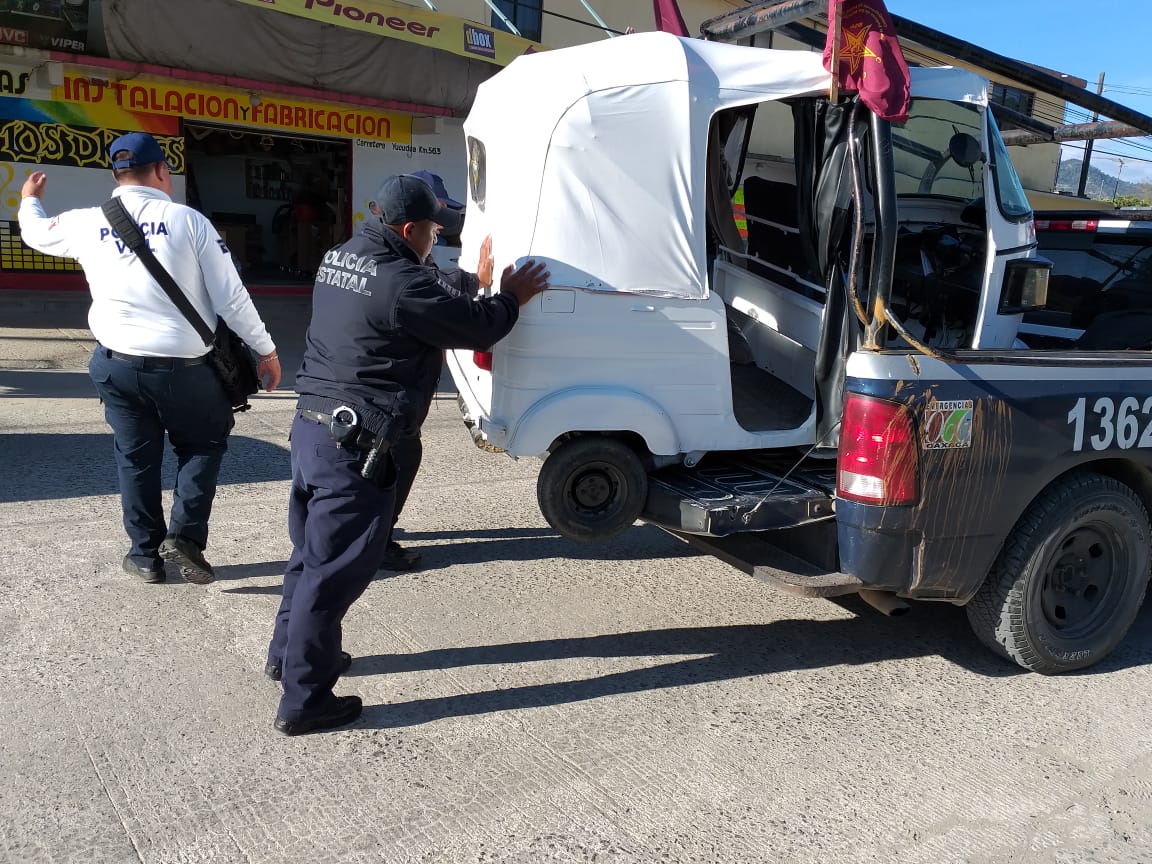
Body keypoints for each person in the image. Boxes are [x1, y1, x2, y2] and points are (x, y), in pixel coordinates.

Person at [266, 174, 548, 735]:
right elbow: (476, 328)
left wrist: (469, 279)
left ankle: (287, 656)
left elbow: (421, 282)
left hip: (311, 435)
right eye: (434, 228)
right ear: (410, 228)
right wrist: (507, 298)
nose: (435, 236)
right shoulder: (401, 284)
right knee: (333, 576)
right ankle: (305, 701)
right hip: (355, 448)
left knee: (308, 558)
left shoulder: (342, 256)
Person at [18, 132, 282, 585]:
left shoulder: (87, 221)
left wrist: (29, 200)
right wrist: (266, 350)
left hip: (117, 366)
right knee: (202, 445)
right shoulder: (190, 222)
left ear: (117, 175)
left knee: (136, 458)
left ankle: (144, 556)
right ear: (162, 171)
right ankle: (184, 539)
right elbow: (232, 299)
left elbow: (36, 233)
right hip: (187, 370)